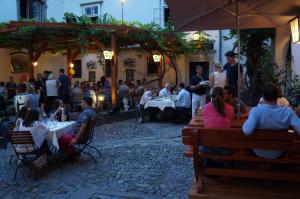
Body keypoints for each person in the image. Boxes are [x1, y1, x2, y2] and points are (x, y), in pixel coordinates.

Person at [242, 83, 300, 159]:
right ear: (277, 96)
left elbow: (247, 131)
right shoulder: (288, 112)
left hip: (258, 151)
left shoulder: (256, 111)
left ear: (262, 96)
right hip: (279, 152)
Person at [201, 87, 234, 159]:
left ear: (211, 96)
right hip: (225, 148)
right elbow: (229, 121)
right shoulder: (230, 108)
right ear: (224, 96)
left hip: (207, 147)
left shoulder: (205, 107)